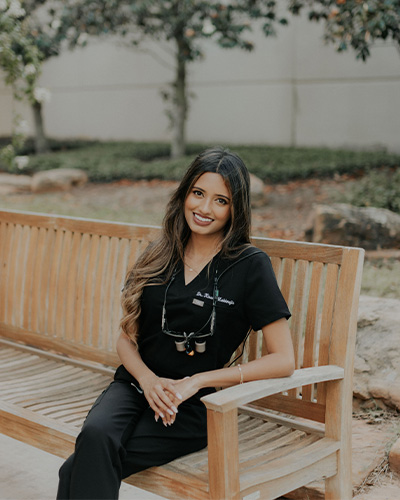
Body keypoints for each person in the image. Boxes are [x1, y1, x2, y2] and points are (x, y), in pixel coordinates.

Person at [57, 146, 295, 499]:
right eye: (198, 193)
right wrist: (148, 380)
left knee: (75, 469)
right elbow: (126, 338)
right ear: (184, 193)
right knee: (95, 437)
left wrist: (197, 381)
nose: (203, 209)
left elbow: (284, 360)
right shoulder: (161, 252)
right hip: (136, 386)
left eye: (220, 201)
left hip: (190, 406)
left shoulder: (249, 265)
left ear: (236, 209)